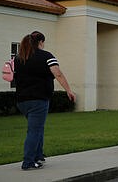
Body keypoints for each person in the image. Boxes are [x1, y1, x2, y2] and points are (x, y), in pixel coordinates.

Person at [14, 31, 76, 170]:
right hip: (38, 99)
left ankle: (38, 156)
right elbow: (58, 74)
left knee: (38, 128)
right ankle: (28, 162)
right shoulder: (46, 56)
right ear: (40, 42)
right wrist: (68, 90)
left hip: (22, 100)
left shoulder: (19, 58)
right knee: (34, 130)